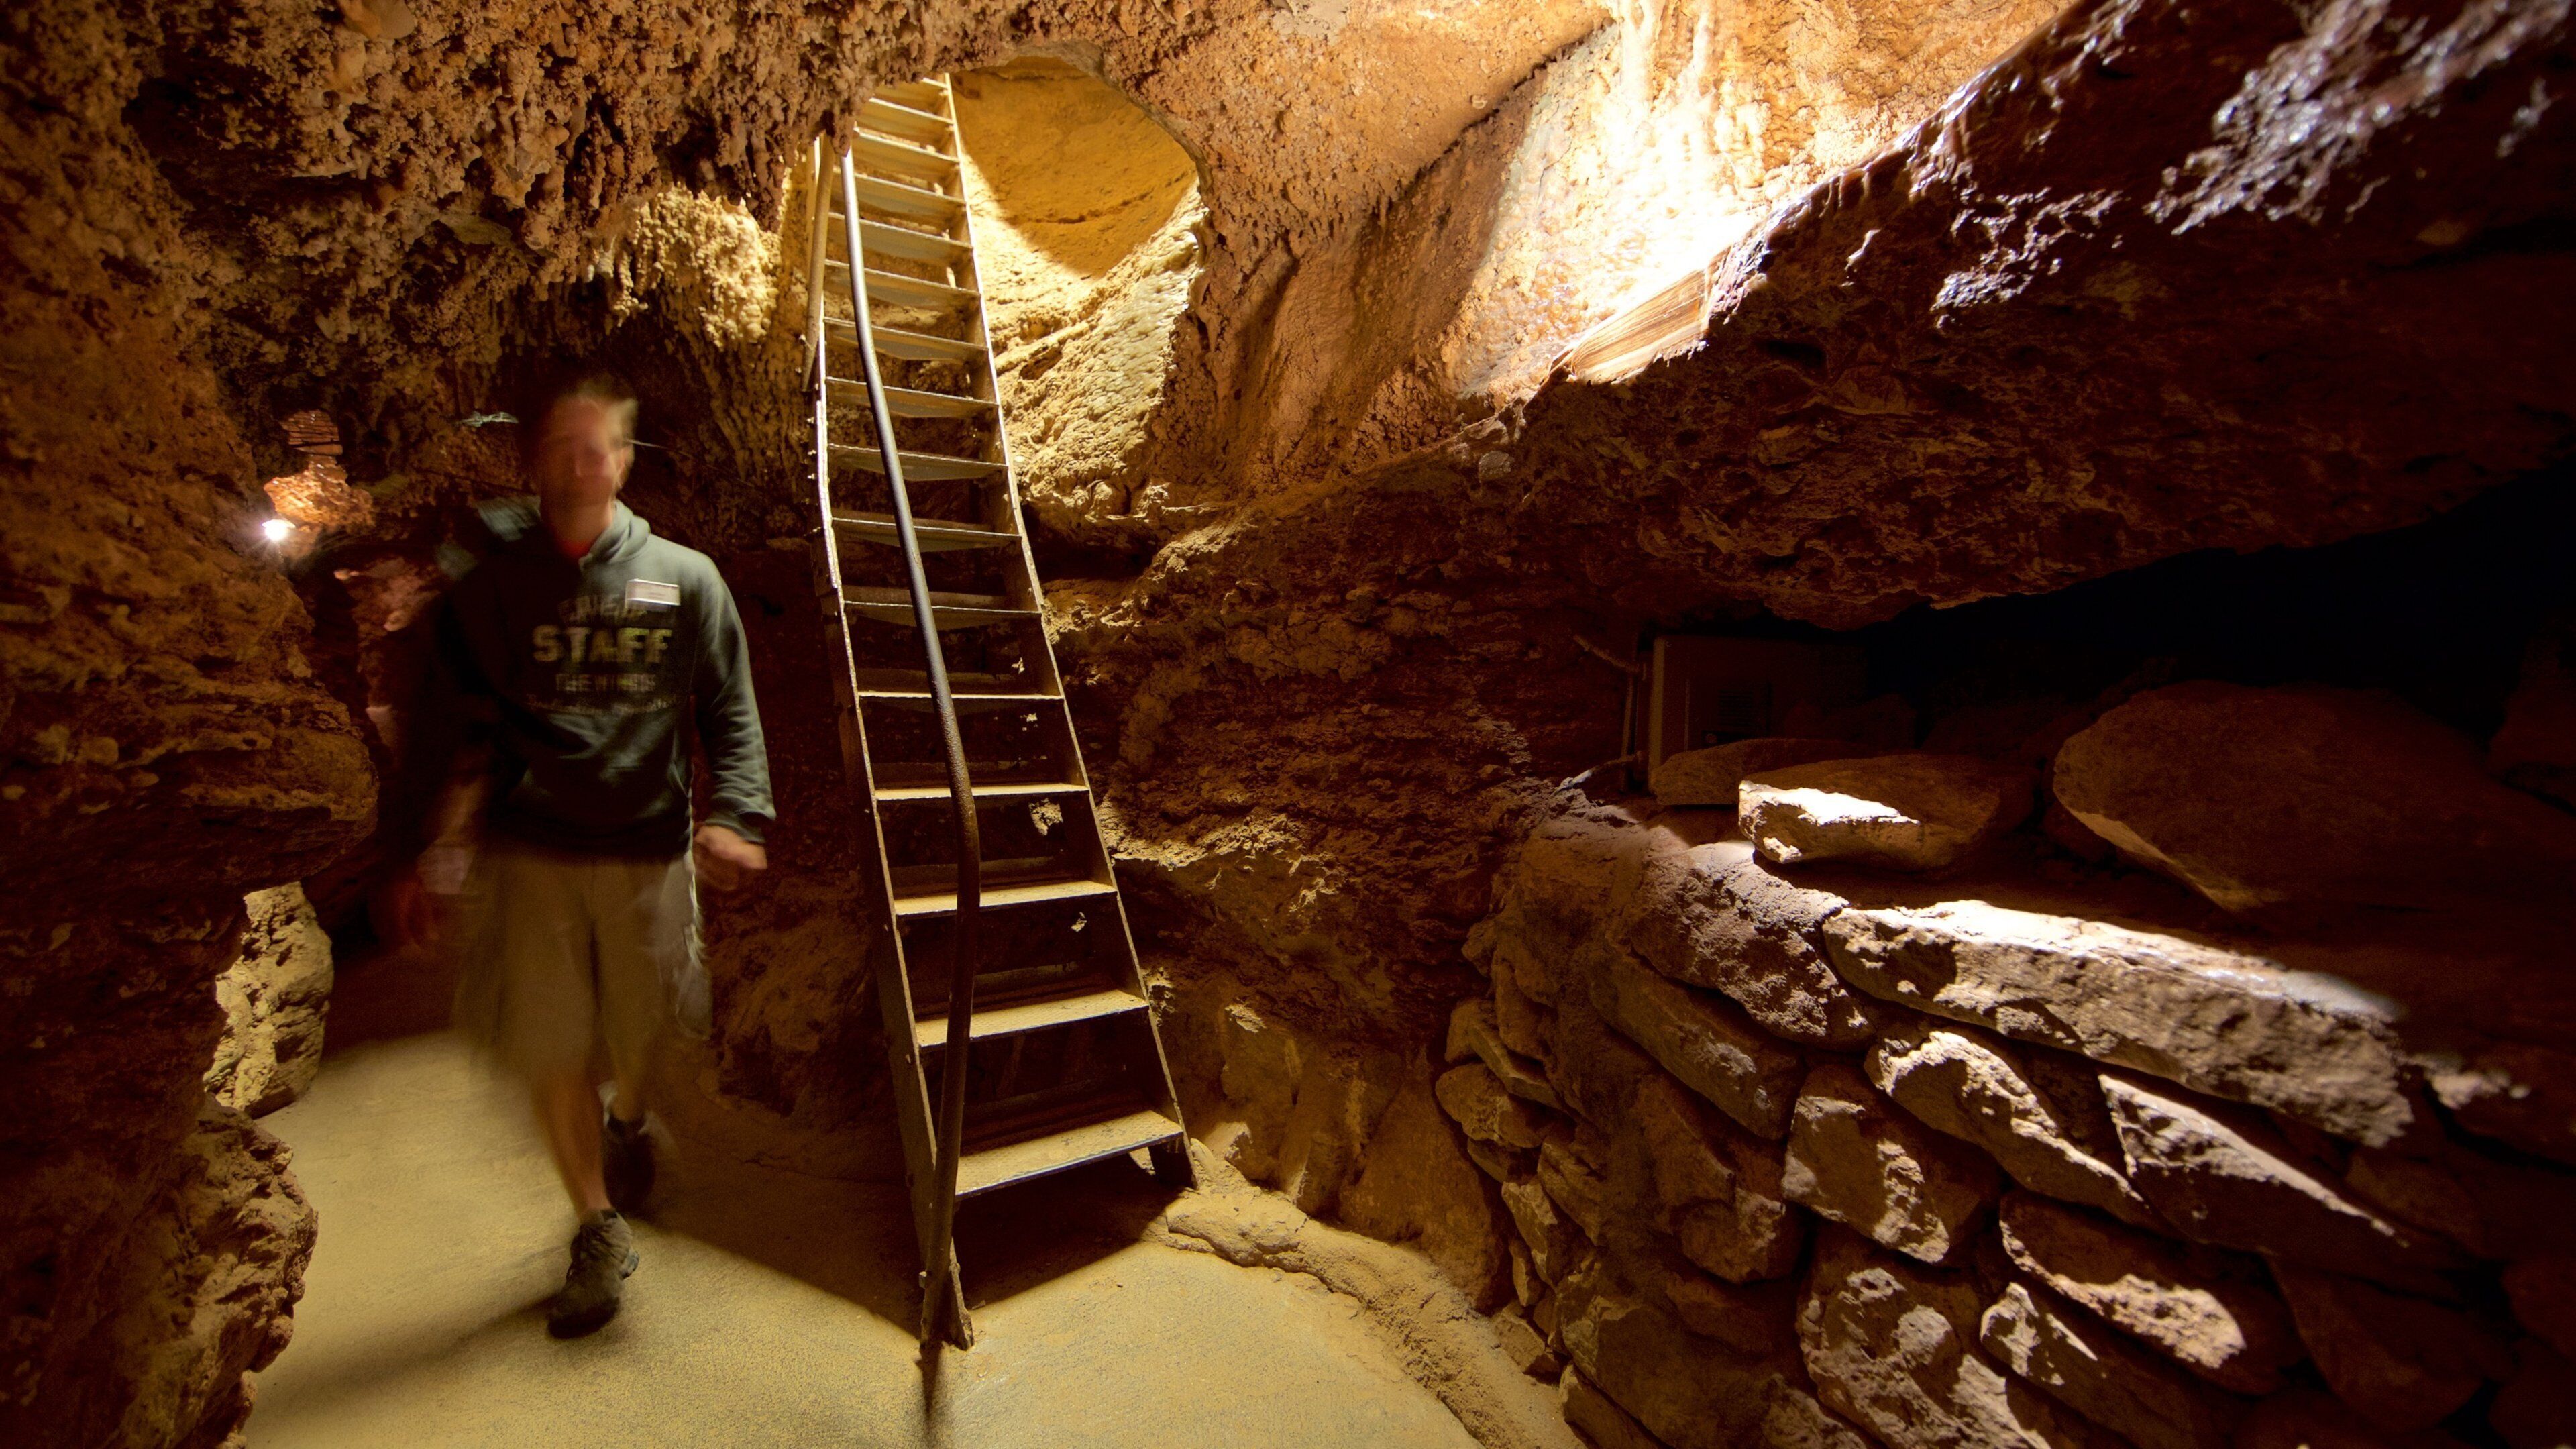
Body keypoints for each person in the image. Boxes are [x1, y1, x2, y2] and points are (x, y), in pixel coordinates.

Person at [381, 374, 773, 1337]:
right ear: (536, 458)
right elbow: (438, 725)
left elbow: (729, 707)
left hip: (647, 850)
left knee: (649, 1035)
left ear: (625, 461)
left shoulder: (686, 579)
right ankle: (596, 1227)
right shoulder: (493, 590)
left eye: (597, 447)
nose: (578, 463)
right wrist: (411, 849)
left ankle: (629, 1121)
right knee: (551, 1044)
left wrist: (741, 818)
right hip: (531, 854)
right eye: (561, 446)